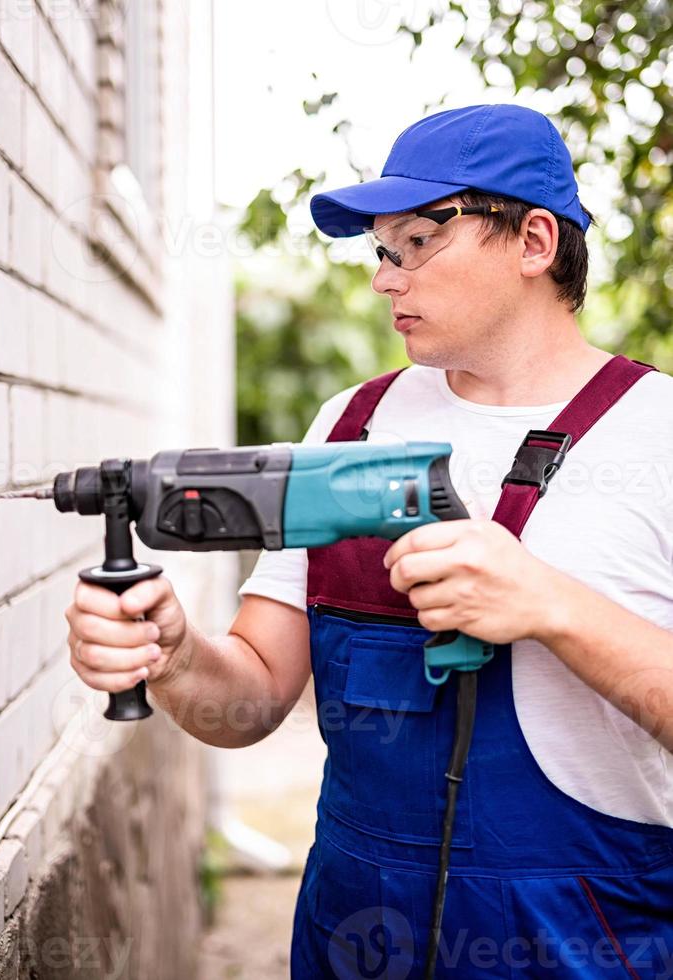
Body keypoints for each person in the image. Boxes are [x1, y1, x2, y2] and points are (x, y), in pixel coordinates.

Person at [66, 104, 673, 978]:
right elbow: (255, 697)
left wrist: (550, 607)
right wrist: (172, 655)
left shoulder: (656, 435)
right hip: (353, 932)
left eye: (416, 243)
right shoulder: (348, 428)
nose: (386, 279)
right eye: (379, 251)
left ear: (534, 240)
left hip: (586, 940)